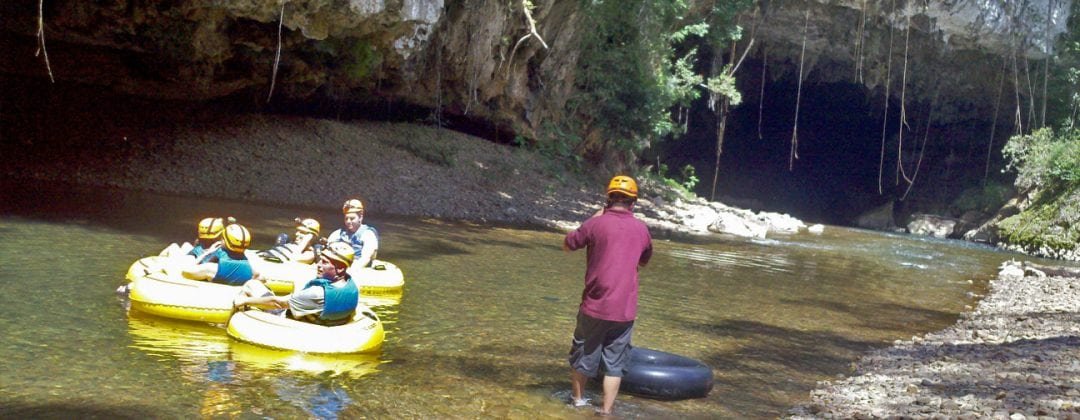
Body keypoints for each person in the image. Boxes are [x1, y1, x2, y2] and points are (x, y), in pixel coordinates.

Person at [562, 175, 653, 416]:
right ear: (633, 203)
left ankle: (578, 403)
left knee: (584, 353)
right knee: (615, 363)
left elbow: (568, 244)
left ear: (607, 199)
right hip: (624, 311)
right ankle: (606, 411)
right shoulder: (642, 229)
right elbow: (643, 262)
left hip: (594, 305)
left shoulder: (596, 224)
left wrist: (592, 219)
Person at [233, 241, 359, 326]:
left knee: (251, 284)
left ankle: (231, 320)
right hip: (322, 320)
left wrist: (245, 301)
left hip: (287, 320)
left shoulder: (317, 293)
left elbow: (278, 303)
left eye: (325, 262)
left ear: (341, 268)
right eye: (320, 260)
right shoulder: (351, 285)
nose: (318, 265)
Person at [183, 223, 259, 286]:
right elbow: (259, 276)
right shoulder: (251, 270)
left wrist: (208, 252)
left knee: (178, 247)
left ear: (224, 241)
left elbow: (185, 272)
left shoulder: (210, 269)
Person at [326, 198, 379, 268]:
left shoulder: (368, 235)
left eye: (352, 218)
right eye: (346, 218)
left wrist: (350, 271)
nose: (348, 221)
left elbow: (365, 258)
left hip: (358, 266)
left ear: (360, 217)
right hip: (340, 265)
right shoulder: (338, 233)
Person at [257, 217, 321, 264]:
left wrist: (306, 240)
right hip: (261, 256)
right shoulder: (290, 244)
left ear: (311, 237)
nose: (296, 234)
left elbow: (293, 259)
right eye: (297, 231)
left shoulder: (310, 254)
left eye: (302, 232)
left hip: (267, 263)